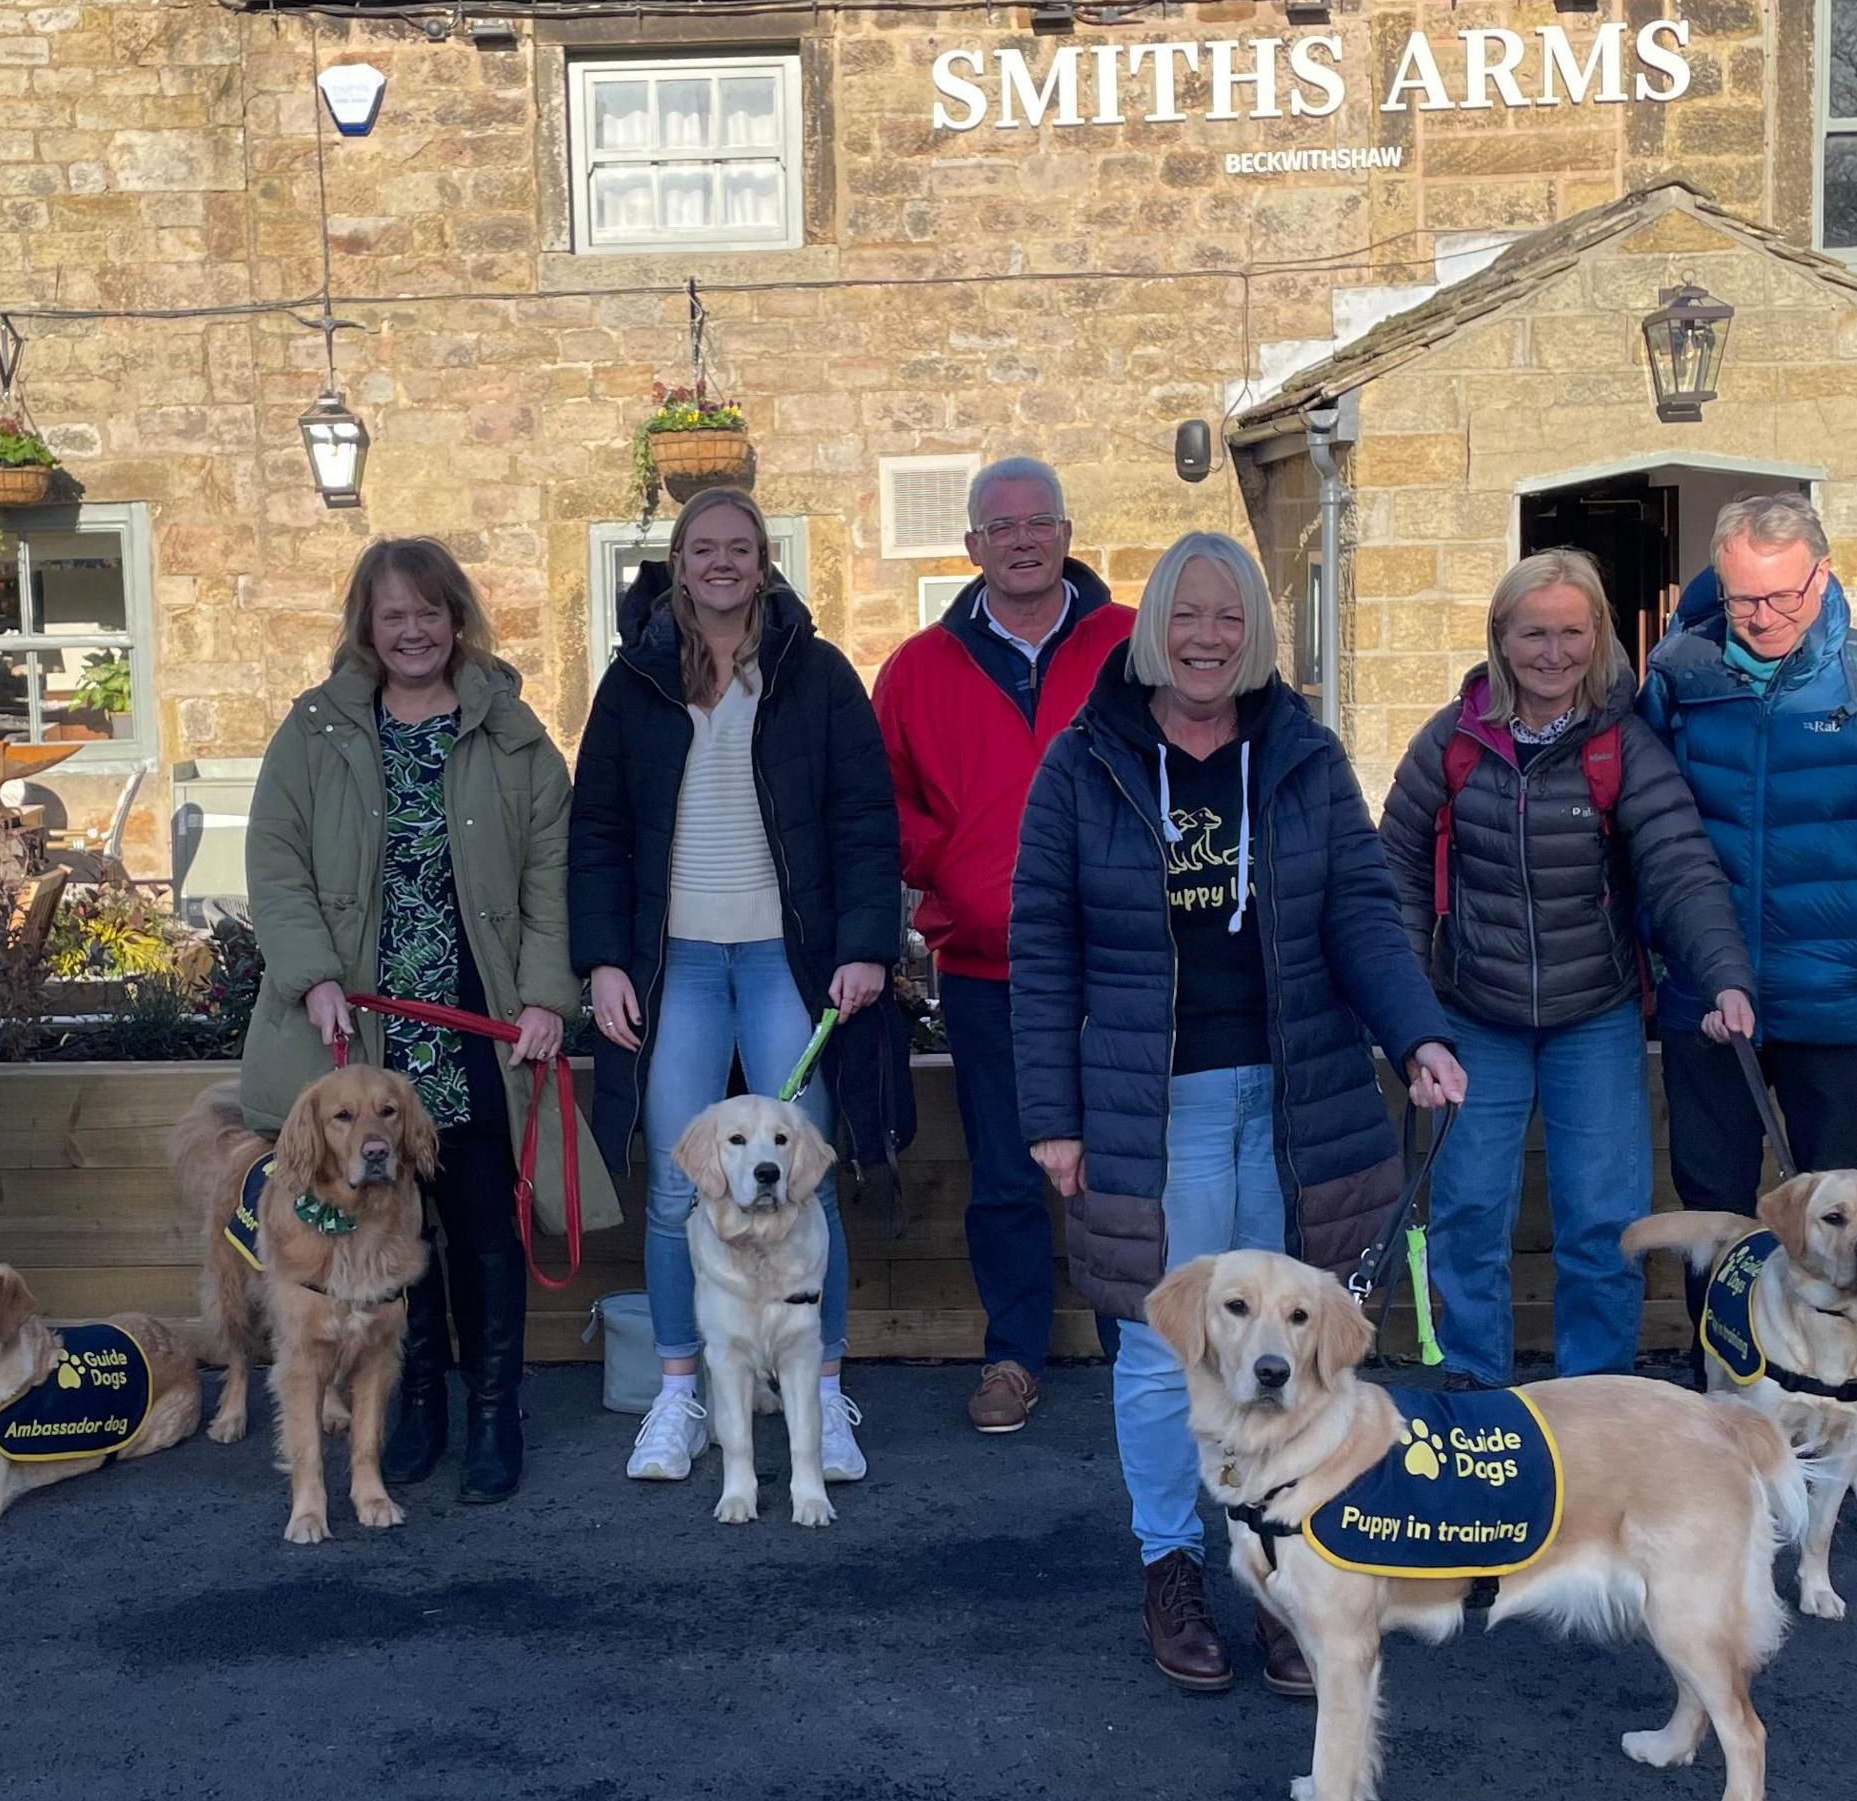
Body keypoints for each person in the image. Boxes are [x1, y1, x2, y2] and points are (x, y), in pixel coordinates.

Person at [1010, 530, 1466, 1694]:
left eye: (1229, 619)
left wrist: (1416, 1032)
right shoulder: (1083, 765)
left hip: (1295, 1098)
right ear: (1154, 624)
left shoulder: (1303, 755)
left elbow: (1364, 910)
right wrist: (1051, 1115)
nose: (1207, 638)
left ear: (1254, 634)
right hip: (1147, 1108)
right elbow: (1043, 950)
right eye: (1187, 616)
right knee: (1169, 1355)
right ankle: (1171, 1565)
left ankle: (1277, 1569)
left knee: (1288, 1353)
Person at [571, 486, 910, 1489]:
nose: (722, 561)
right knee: (684, 1181)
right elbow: (595, 832)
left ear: (763, 563)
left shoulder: (817, 675)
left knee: (800, 1171)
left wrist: (865, 946)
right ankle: (679, 1395)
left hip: (784, 959)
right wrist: (601, 962)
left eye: (741, 548)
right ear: (678, 565)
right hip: (675, 960)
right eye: (703, 548)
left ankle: (822, 1390)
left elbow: (864, 820)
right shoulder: (633, 682)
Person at [1635, 494, 1857, 1466]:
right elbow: (1642, 822)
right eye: (1743, 600)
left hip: (1836, 996)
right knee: (1718, 1211)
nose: (1763, 617)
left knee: (1850, 1219)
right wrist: (1671, 941)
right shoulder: (1679, 680)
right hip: (1710, 998)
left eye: (1782, 597)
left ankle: (1848, 1404)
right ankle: (1724, 1407)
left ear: (1822, 577)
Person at [242, 538, 577, 1506]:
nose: (415, 631)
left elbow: (549, 879)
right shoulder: (313, 734)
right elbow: (276, 864)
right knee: (390, 1232)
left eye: (430, 613)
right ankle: (417, 1405)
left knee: (481, 1222)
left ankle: (492, 1417)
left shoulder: (514, 737)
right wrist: (309, 975)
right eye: (394, 616)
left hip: (474, 1021)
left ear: (457, 619)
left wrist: (545, 996)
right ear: (368, 628)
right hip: (366, 1029)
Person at [1379, 549, 1755, 1386]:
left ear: (1600, 638)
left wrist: (1726, 976)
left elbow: (1681, 868)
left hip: (1596, 1015)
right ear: (1501, 639)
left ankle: (1596, 1399)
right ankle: (1477, 1393)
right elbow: (1394, 875)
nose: (1554, 653)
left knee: (1603, 1224)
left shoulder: (1624, 745)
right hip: (1474, 1016)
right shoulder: (1452, 742)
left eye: (1572, 633)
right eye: (1534, 634)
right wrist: (1410, 1019)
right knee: (1470, 1213)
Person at [872, 456, 1133, 1436]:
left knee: (1124, 1166)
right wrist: (952, 859)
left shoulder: (1130, 646)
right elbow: (881, 804)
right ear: (972, 546)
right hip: (986, 967)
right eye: (1001, 527)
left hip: (1123, 962)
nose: (1022, 541)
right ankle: (1014, 1355)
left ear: (1064, 534)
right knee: (1007, 1169)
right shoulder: (917, 670)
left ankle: (1137, 1354)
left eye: (1040, 524)